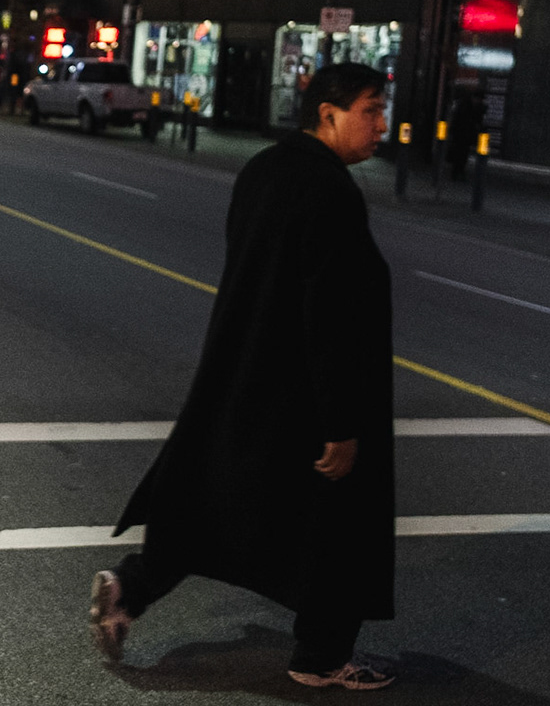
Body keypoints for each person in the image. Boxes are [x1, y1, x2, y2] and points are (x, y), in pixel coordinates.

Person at [90, 61, 397, 692]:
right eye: (370, 110)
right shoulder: (330, 191)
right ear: (328, 112)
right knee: (335, 524)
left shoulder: (264, 170)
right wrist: (342, 422)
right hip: (310, 393)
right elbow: (330, 312)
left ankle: (132, 586)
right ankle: (321, 656)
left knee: (220, 497)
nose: (381, 125)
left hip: (248, 370)